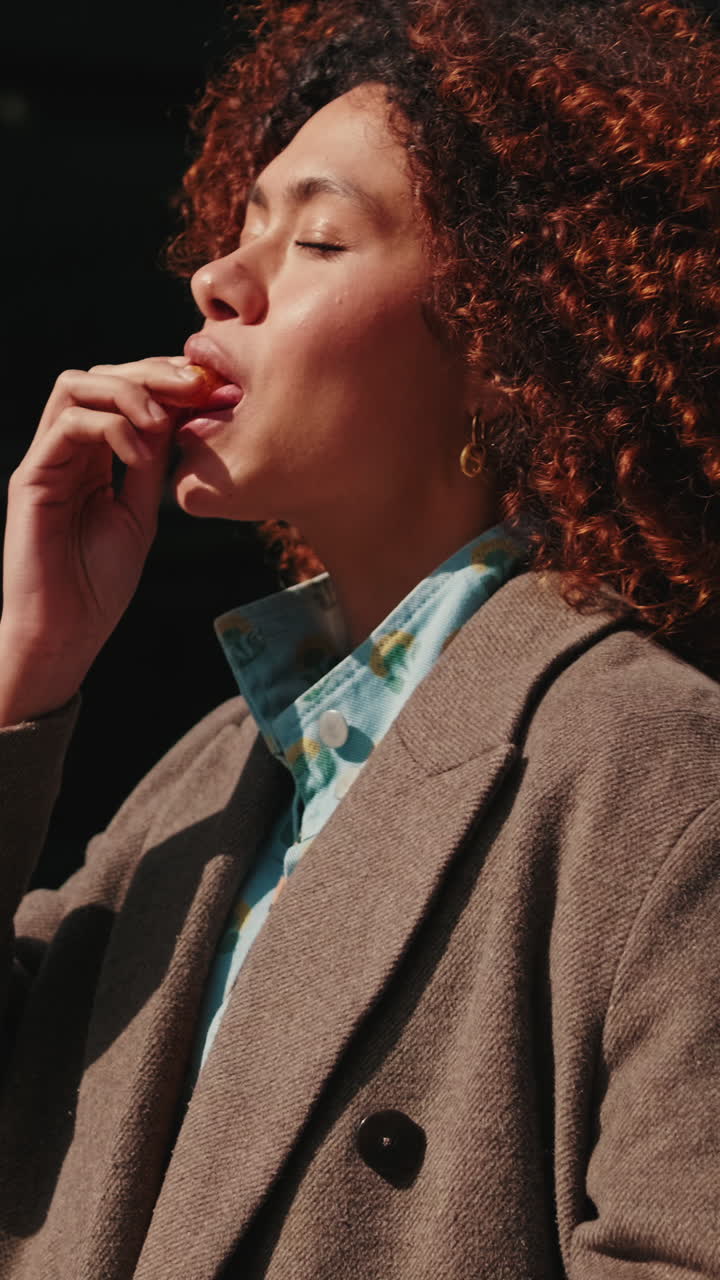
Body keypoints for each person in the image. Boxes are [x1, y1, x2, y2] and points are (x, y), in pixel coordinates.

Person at [0, 0, 719, 1274]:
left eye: (320, 237)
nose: (222, 279)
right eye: (240, 228)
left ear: (507, 339)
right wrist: (25, 677)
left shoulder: (653, 769)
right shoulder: (208, 777)